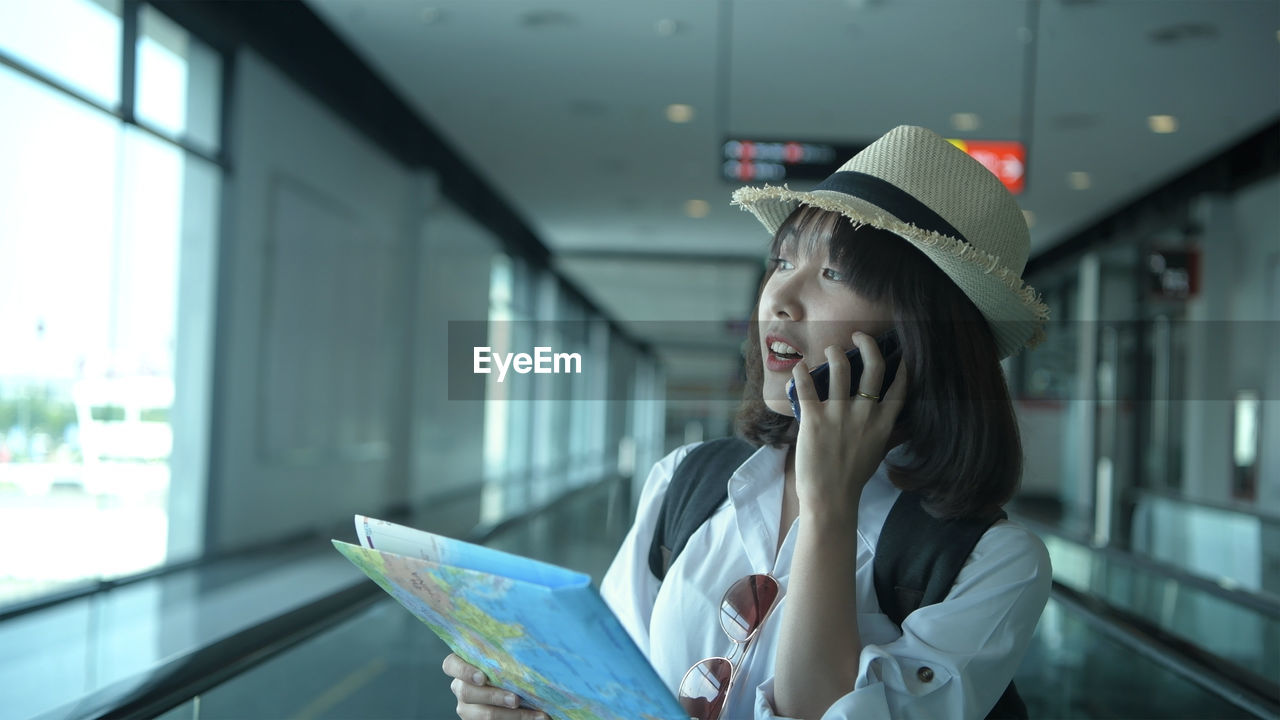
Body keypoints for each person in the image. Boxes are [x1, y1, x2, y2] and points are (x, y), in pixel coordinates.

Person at [443, 125, 1053, 720]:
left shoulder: (991, 562)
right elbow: (612, 695)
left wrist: (829, 510)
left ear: (918, 337)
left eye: (835, 274)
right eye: (781, 261)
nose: (780, 297)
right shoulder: (686, 482)